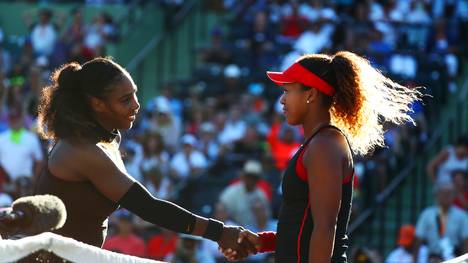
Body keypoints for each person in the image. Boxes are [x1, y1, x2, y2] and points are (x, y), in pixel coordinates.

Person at [33, 57, 249, 260]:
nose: (136, 104)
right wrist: (219, 232)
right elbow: (149, 208)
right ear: (97, 104)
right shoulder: (82, 150)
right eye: (125, 99)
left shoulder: (105, 139)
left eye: (134, 94)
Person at [222, 51, 421, 262]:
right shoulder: (319, 143)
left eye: (287, 91)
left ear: (310, 95)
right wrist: (264, 242)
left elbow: (326, 228)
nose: (281, 100)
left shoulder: (324, 146)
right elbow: (304, 231)